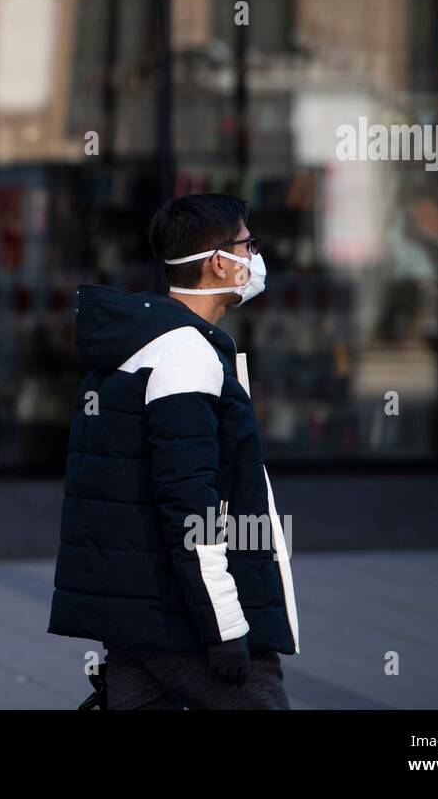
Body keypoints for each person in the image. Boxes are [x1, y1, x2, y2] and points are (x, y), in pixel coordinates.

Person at [48, 193, 299, 709]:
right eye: (248, 245)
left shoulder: (143, 346)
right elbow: (191, 506)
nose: (255, 258)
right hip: (183, 618)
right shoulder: (187, 356)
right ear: (217, 262)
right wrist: (227, 626)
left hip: (141, 611)